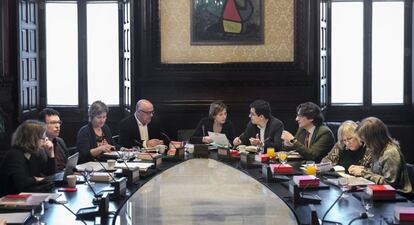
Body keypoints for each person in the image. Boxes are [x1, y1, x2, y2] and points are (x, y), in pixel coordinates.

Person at [348, 117, 412, 194]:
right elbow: (377, 173)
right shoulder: (378, 149)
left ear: (373, 138)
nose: (364, 143)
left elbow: (389, 185)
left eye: (365, 139)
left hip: (399, 196)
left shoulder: (390, 153)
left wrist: (363, 173)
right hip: (382, 193)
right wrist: (363, 169)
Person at [0, 120, 55, 196]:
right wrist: (36, 179)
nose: (46, 141)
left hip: (26, 197)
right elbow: (21, 183)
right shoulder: (15, 155)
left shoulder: (33, 154)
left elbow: (49, 174)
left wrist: (51, 154)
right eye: (43, 138)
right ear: (32, 139)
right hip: (10, 201)